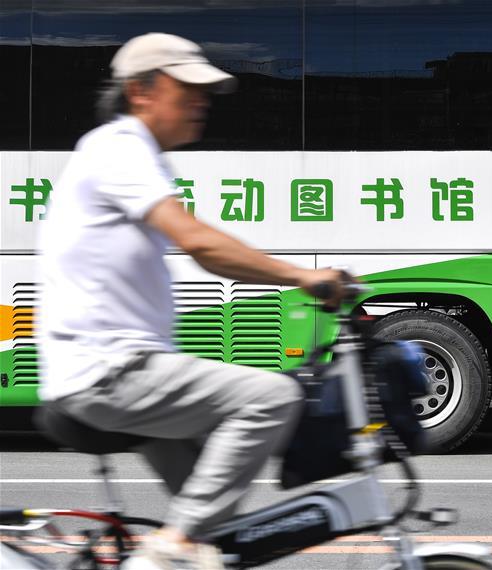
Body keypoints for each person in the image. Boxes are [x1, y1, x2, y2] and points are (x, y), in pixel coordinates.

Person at [37, 33, 347, 570]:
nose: (202, 101)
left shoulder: (135, 154)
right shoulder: (120, 147)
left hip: (123, 368)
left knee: (220, 536)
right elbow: (200, 244)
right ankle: (169, 549)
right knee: (271, 397)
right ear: (141, 91)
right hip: (110, 370)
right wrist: (303, 276)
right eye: (188, 88)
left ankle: (180, 546)